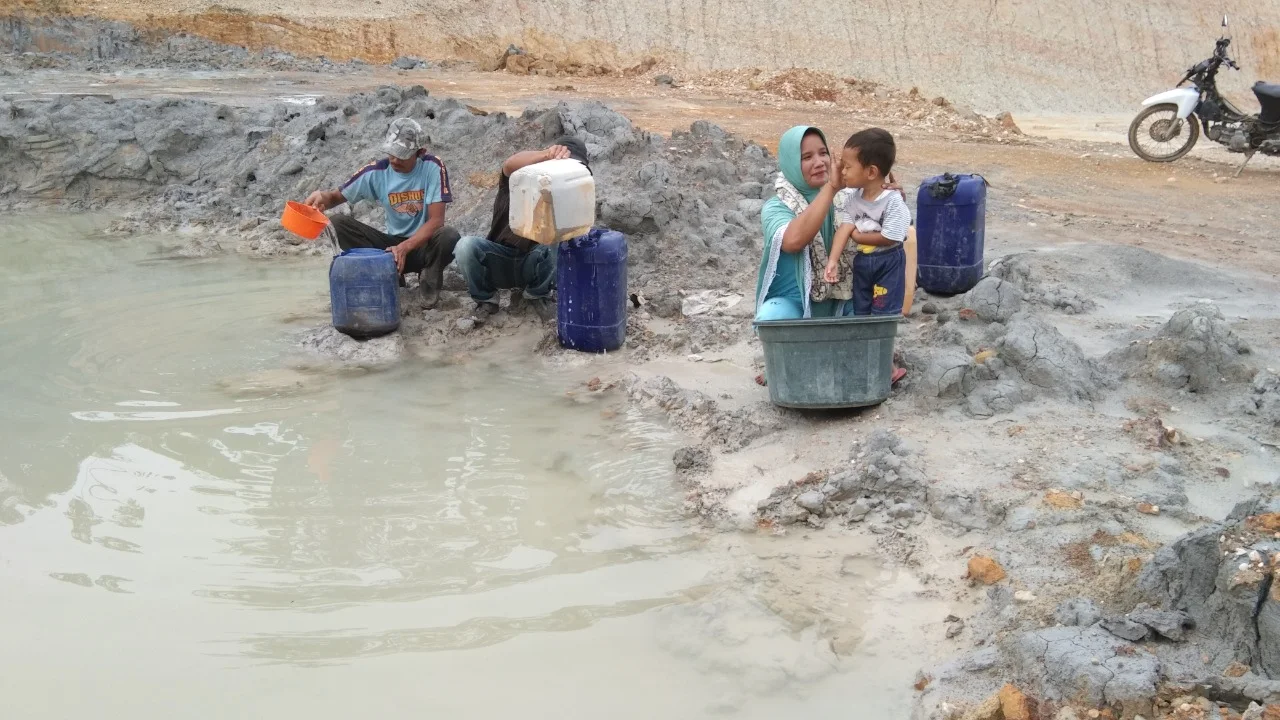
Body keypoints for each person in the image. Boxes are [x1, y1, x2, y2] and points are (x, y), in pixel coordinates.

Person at [303, 117, 460, 308]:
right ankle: (386, 272)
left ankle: (429, 278)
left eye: (401, 155)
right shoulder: (377, 171)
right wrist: (322, 198)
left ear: (420, 153)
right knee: (337, 224)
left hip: (424, 246)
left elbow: (437, 221)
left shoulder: (433, 167)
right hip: (389, 250)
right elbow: (336, 197)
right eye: (391, 153)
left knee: (449, 236)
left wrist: (405, 247)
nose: (394, 160)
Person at [454, 136, 591, 322]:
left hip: (535, 263)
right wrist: (547, 154)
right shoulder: (522, 179)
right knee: (465, 246)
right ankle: (486, 299)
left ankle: (537, 294)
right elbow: (509, 165)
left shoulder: (573, 195)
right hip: (500, 258)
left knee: (557, 240)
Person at [823, 128, 911, 316]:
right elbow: (844, 228)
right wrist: (833, 260)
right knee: (860, 308)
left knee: (884, 310)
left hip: (888, 263)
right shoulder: (853, 198)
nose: (843, 172)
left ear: (871, 172)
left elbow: (890, 237)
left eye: (847, 167)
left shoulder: (892, 200)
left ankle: (881, 342)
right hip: (863, 262)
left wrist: (857, 236)